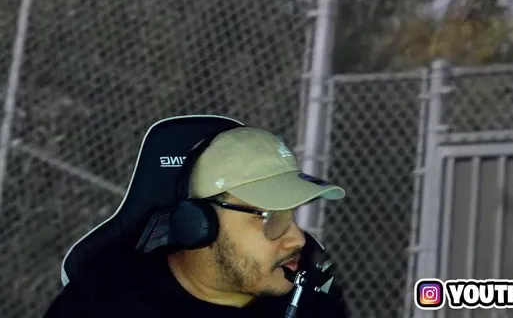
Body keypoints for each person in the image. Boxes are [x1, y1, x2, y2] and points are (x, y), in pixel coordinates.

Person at [44, 126, 350, 318]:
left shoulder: (311, 300)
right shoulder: (103, 303)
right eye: (270, 217)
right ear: (198, 223)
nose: (297, 239)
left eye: (292, 214)